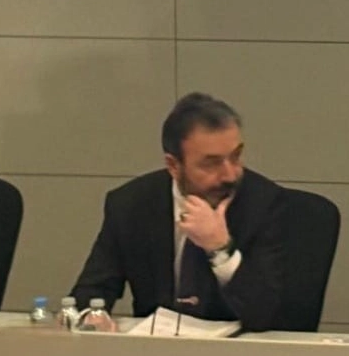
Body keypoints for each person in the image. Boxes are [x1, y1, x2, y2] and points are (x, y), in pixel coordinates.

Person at [70, 92, 286, 330]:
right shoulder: (131, 204)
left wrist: (220, 249)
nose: (230, 175)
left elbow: (270, 314)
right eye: (211, 163)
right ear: (173, 165)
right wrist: (91, 316)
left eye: (235, 157)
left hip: (236, 348)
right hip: (155, 346)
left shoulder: (263, 203)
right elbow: (90, 293)